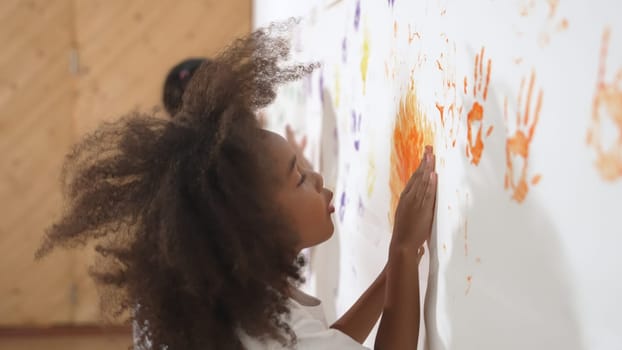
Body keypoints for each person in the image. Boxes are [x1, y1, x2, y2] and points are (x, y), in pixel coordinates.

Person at [35, 22, 437, 349]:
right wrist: (402, 251)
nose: (317, 178)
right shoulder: (253, 332)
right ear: (252, 223)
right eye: (299, 178)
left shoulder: (206, 289)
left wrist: (391, 274)